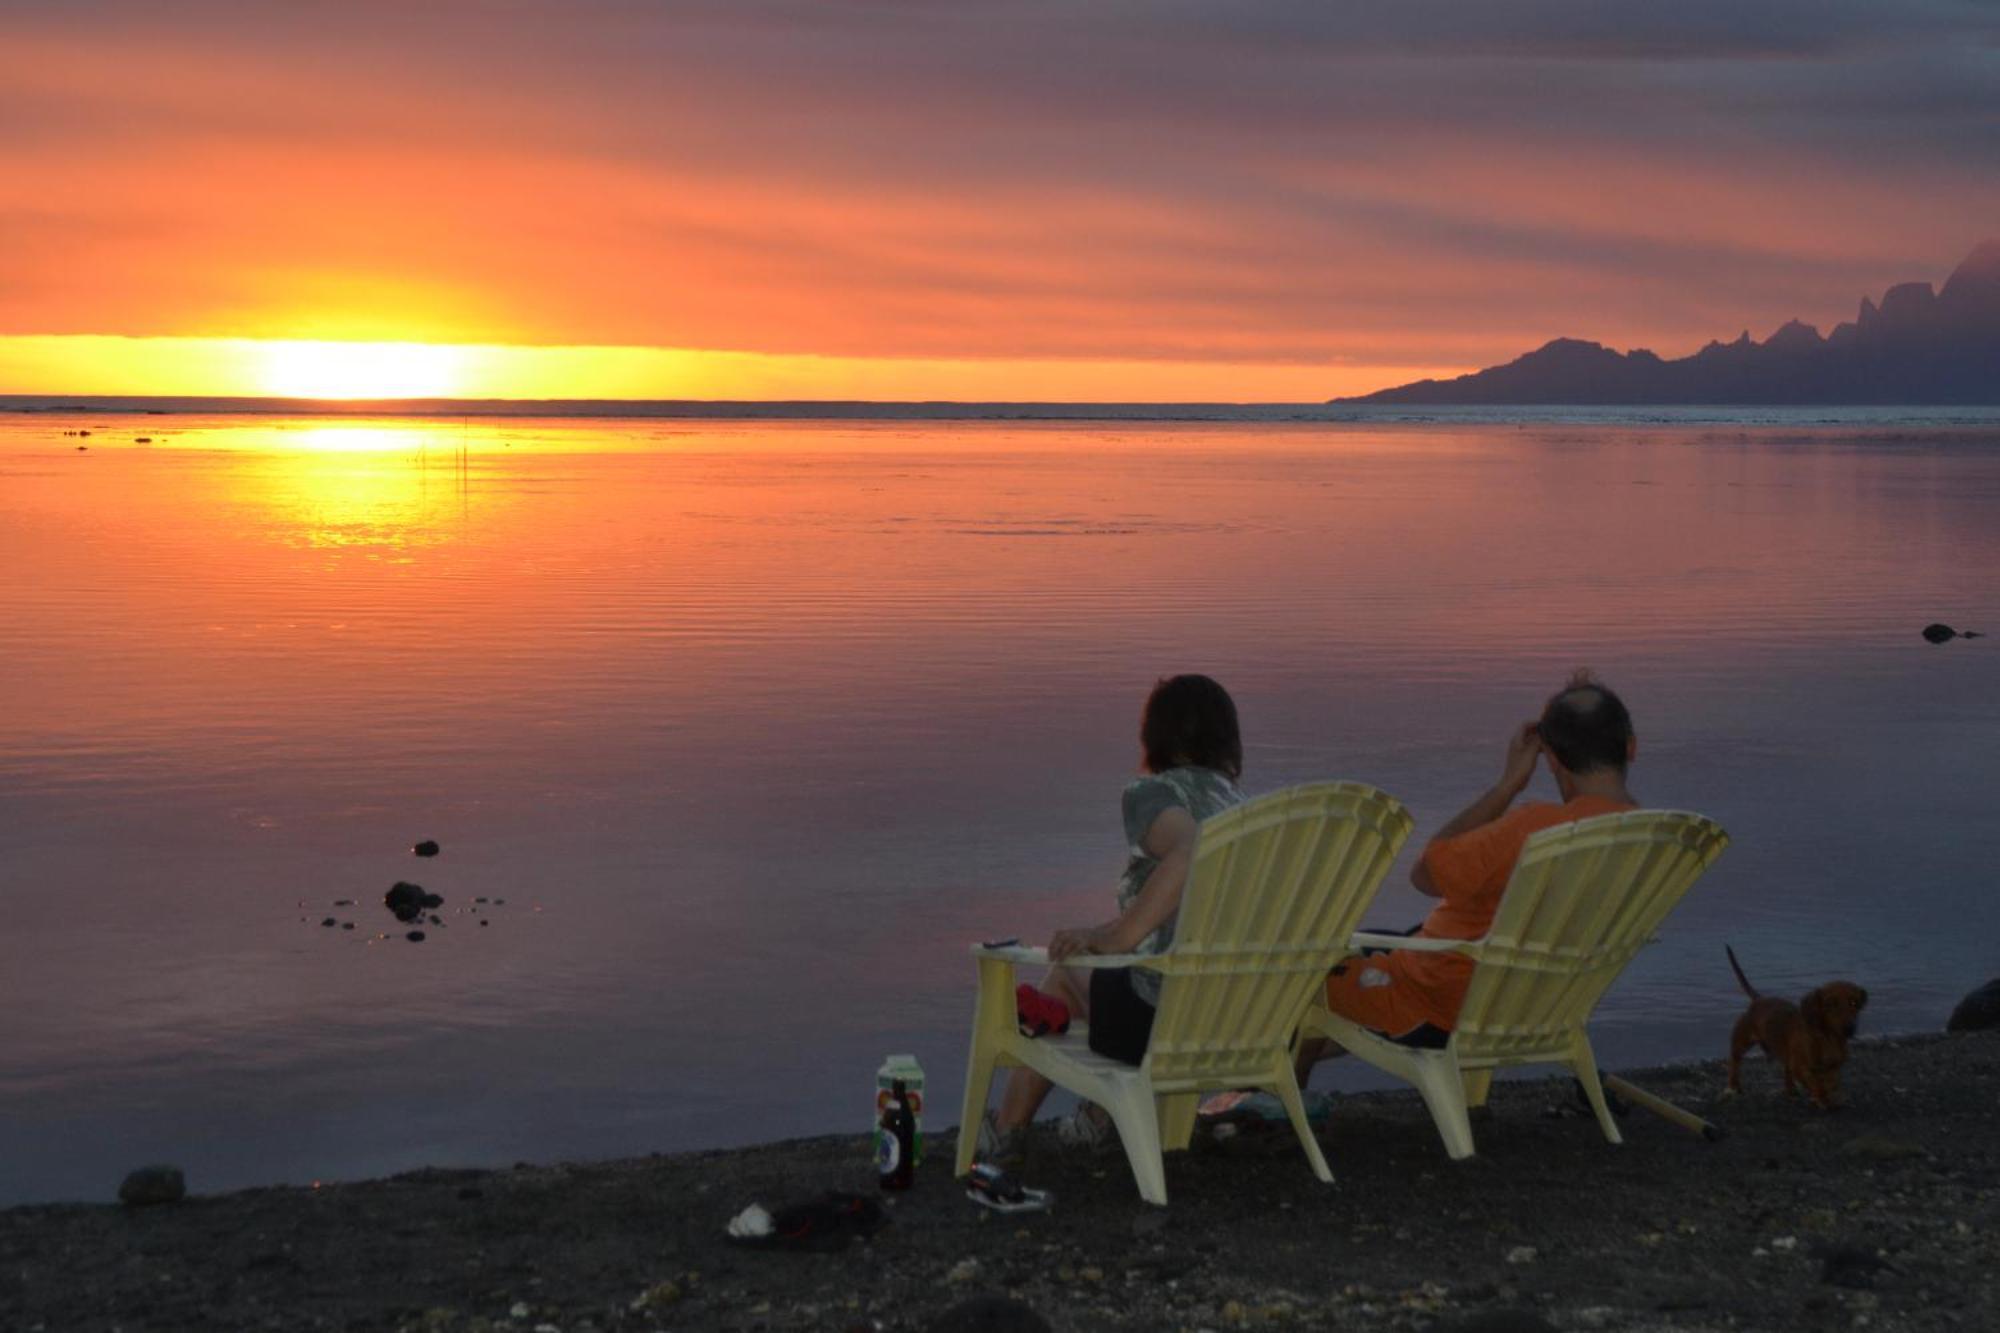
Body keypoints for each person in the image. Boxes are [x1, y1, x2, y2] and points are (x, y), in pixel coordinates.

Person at [1301, 671, 1639, 1069]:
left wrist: (1507, 786)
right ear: (1631, 748)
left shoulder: (1534, 831)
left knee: (1304, 969)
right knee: (1375, 946)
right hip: (1541, 1005)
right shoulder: (1650, 838)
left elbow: (1424, 874)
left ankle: (1278, 1087)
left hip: (1443, 1002)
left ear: (1552, 759)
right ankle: (1296, 1068)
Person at [976, 674, 1246, 1163]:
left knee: (1067, 974)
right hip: (1242, 1023)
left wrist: (1113, 936)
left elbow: (1191, 850)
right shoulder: (1248, 812)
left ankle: (1008, 1130)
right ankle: (1099, 1118)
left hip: (1170, 1026)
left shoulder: (1155, 795)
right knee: (1109, 978)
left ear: (1155, 737)